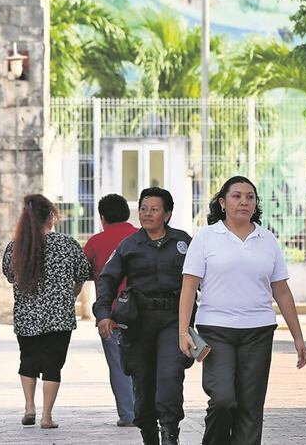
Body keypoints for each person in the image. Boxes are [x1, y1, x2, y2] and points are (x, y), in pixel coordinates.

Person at [178, 176, 306, 445]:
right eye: (236, 196)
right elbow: (189, 288)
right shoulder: (205, 238)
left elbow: (281, 291)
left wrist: (298, 336)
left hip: (258, 331)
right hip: (216, 330)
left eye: (250, 197)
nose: (244, 202)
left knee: (250, 407)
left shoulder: (267, 240)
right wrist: (183, 332)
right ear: (223, 203)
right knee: (223, 400)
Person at [93, 187, 193, 445]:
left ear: (167, 214)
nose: (147, 214)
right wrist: (104, 314)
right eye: (143, 209)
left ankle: (170, 434)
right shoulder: (128, 245)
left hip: (173, 321)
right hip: (139, 323)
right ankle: (149, 435)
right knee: (143, 383)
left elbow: (205, 280)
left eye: (154, 209)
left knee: (170, 377)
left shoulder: (184, 243)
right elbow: (107, 280)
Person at [2, 194, 92, 431]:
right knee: (53, 364)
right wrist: (69, 294)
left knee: (28, 359)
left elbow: (9, 276)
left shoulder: (15, 247)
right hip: (59, 317)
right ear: (51, 215)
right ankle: (46, 416)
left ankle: (29, 407)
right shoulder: (66, 243)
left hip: (26, 316)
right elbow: (83, 273)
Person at [83, 193, 138, 428]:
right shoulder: (141, 236)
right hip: (143, 314)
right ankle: (146, 410)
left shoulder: (95, 242)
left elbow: (83, 274)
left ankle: (128, 414)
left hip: (111, 316)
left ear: (102, 217)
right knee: (145, 364)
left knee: (118, 366)